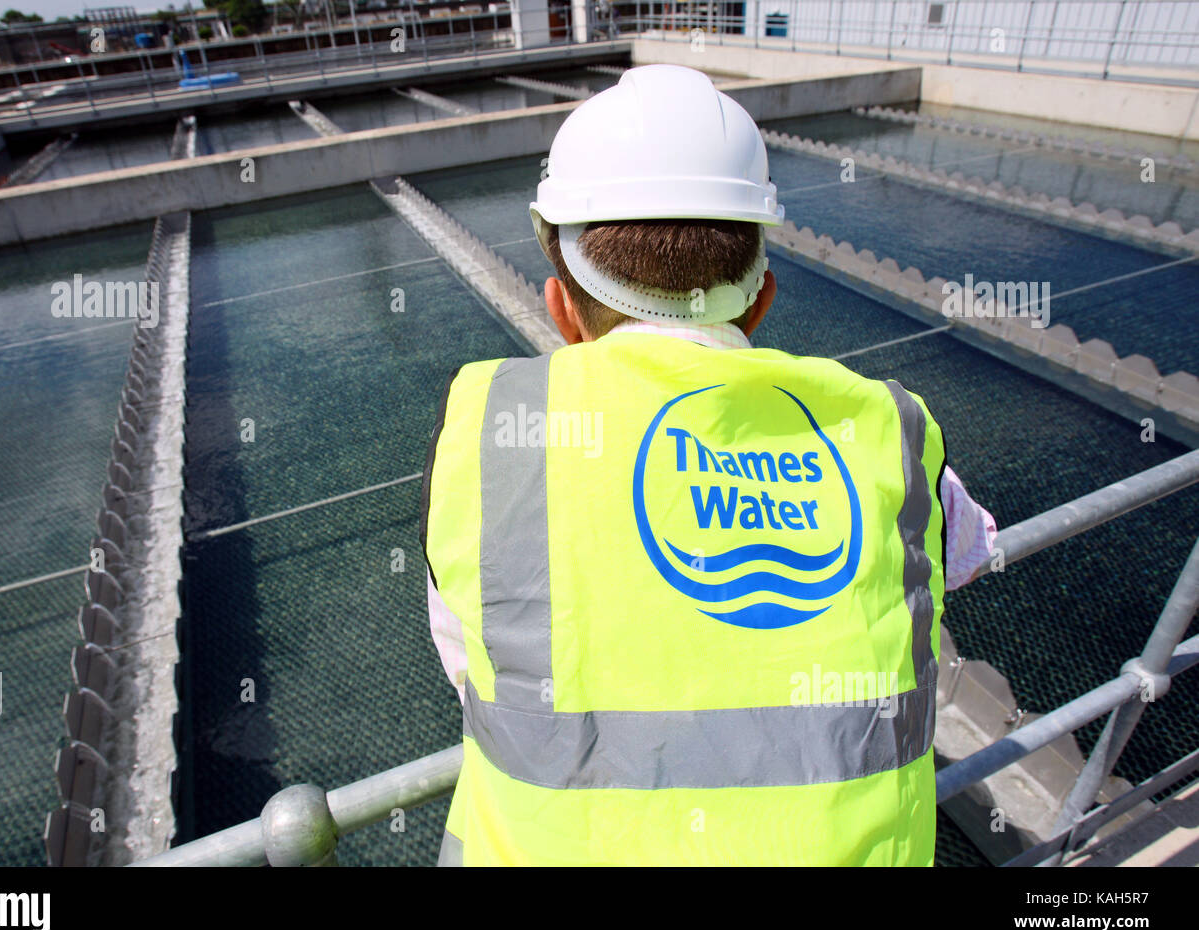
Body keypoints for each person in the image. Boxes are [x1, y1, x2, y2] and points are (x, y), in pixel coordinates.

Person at [420, 64, 997, 866]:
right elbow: (966, 551)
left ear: (559, 308)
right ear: (760, 301)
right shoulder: (888, 431)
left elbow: (472, 652)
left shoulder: (483, 442)